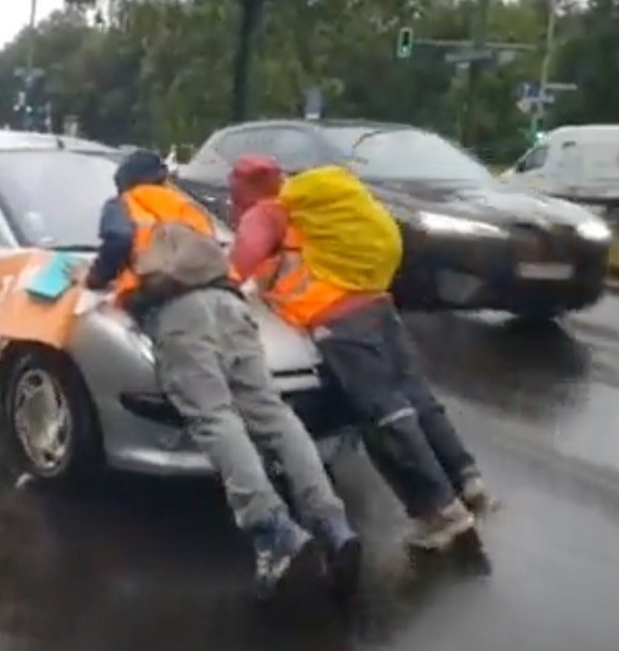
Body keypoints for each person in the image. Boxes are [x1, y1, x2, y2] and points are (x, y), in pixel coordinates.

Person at [84, 150, 360, 596]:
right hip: (231, 305)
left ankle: (274, 531)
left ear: (125, 183)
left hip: (179, 312)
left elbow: (117, 243)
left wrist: (95, 282)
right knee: (271, 412)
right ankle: (333, 522)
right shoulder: (188, 205)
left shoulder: (125, 203)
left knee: (215, 417)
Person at [228, 154, 498, 551]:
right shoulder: (316, 208)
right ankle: (466, 479)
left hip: (338, 318)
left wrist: (216, 282)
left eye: (234, 194)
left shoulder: (267, 213)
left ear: (244, 190)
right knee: (416, 396)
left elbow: (240, 262)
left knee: (384, 414)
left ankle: (440, 512)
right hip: (376, 302)